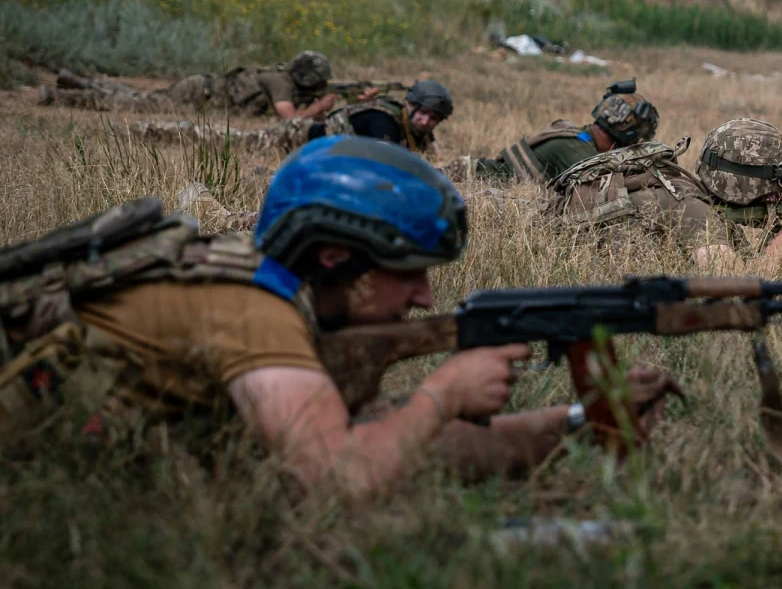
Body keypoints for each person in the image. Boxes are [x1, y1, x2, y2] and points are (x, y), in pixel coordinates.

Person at [0, 137, 678, 501]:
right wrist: (442, 395)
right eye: (406, 272)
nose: (421, 298)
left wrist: (577, 426)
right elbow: (336, 480)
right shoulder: (254, 315)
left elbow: (396, 448)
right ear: (332, 258)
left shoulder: (275, 295)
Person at [552, 118, 782, 272]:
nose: (779, 196)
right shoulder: (693, 211)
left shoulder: (694, 194)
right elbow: (736, 288)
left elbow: (752, 268)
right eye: (775, 187)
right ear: (750, 185)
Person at [114, 79, 453, 156]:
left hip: (308, 140)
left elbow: (427, 148)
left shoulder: (410, 126)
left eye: (433, 117)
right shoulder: (385, 122)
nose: (426, 121)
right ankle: (139, 131)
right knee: (216, 139)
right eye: (422, 113)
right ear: (409, 105)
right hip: (295, 137)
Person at [445, 79, 659, 184]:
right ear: (626, 138)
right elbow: (597, 198)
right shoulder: (577, 151)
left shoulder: (581, 137)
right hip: (462, 179)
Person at [37, 51, 339, 121]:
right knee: (133, 104)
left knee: (132, 96)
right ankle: (58, 96)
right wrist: (320, 108)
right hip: (196, 95)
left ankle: (73, 82)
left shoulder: (281, 78)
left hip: (200, 91)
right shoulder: (278, 82)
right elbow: (288, 119)